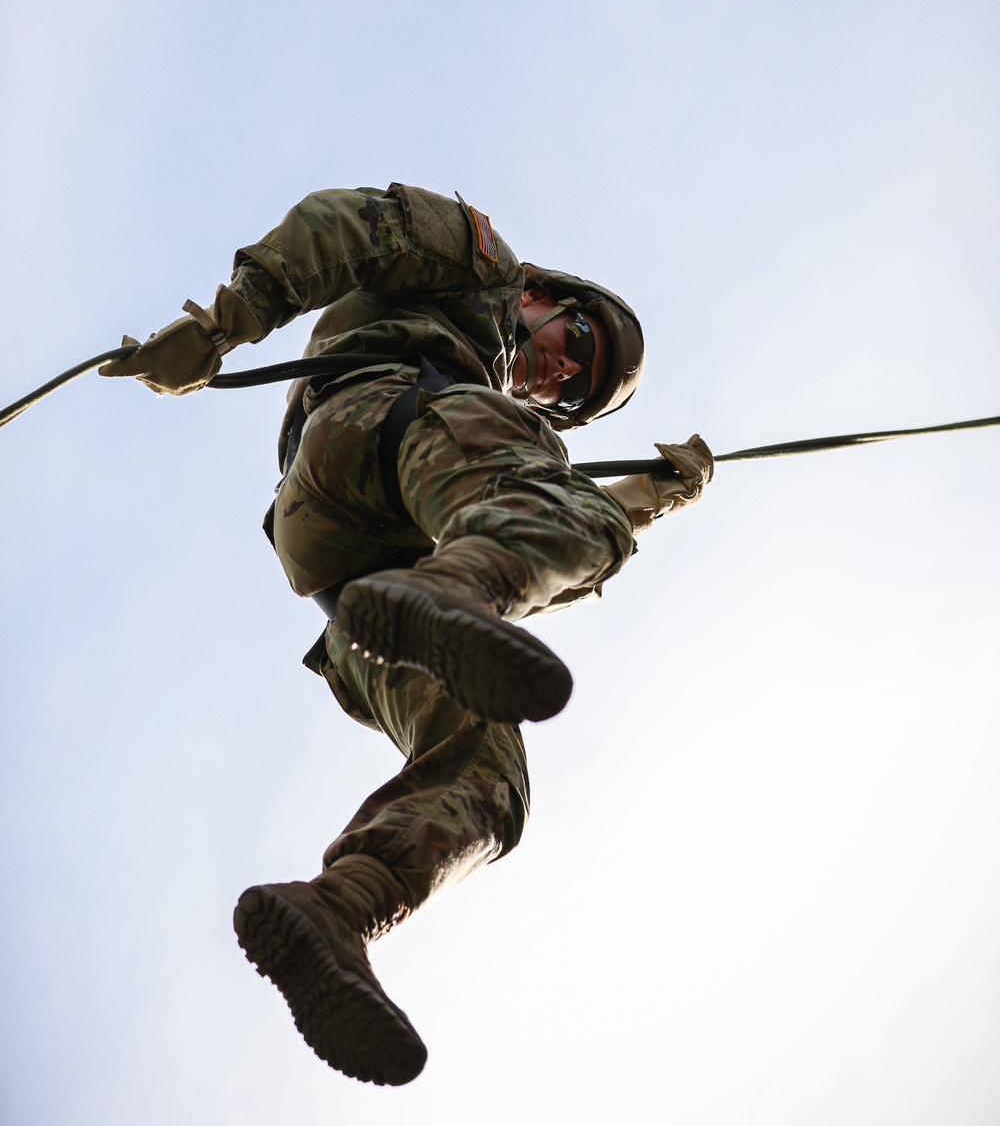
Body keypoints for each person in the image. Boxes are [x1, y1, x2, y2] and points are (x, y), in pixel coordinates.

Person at [101, 183, 713, 1086]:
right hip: (376, 431)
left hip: (358, 577)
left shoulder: (495, 444)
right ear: (546, 295)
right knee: (548, 497)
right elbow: (345, 231)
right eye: (573, 344)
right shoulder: (479, 269)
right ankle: (453, 594)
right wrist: (223, 325)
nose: (554, 376)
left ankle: (340, 911)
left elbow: (544, 533)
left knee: (491, 773)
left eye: (572, 397)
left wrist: (658, 495)